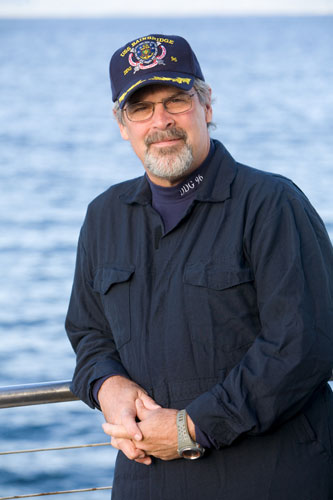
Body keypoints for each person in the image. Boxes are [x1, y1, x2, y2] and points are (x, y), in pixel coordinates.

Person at [65, 33, 333, 499]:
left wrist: (193, 426)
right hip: (147, 480)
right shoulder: (104, 216)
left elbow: (305, 343)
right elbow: (88, 333)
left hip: (274, 478)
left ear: (206, 105)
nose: (161, 121)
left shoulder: (272, 204)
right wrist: (107, 384)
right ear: (121, 123)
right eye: (141, 108)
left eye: (176, 100)